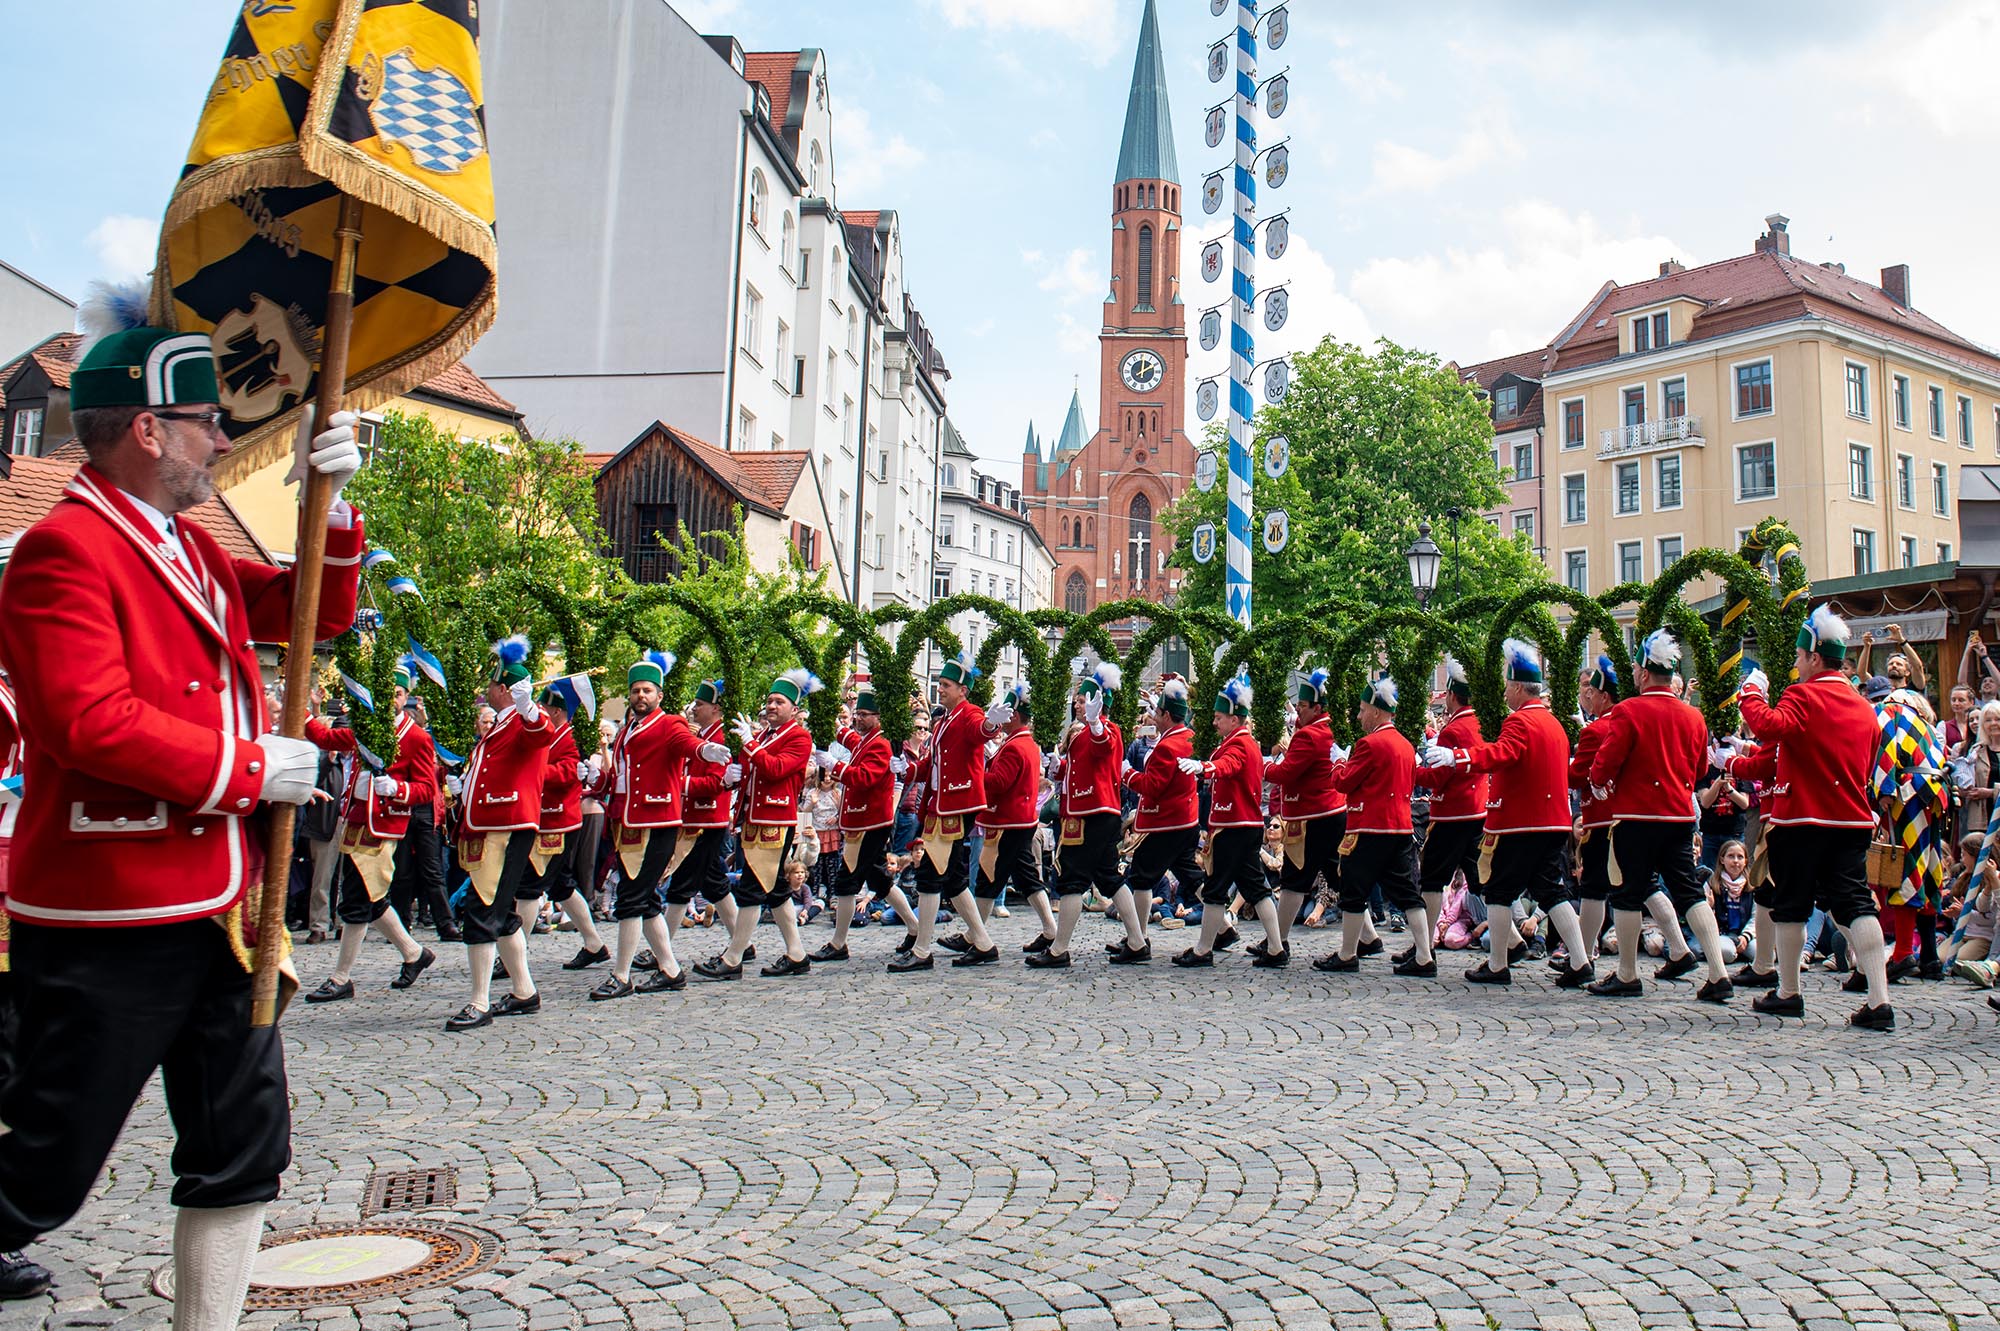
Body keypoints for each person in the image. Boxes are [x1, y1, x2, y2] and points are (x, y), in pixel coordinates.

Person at [0, 304, 365, 1314]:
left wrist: (332, 509)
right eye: (207, 420)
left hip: (217, 909)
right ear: (147, 428)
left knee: (242, 1144)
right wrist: (249, 768)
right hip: (115, 908)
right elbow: (88, 722)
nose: (223, 438)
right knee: (43, 1164)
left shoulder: (187, 547)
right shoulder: (62, 549)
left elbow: (313, 612)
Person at [1723, 604, 1897, 1028]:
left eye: (1801, 658)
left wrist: (1750, 691)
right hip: (1851, 820)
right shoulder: (1864, 707)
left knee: (1791, 906)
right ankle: (1879, 999)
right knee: (1856, 904)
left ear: (1815, 657)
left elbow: (1767, 725)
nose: (1798, 665)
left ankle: (1789, 992)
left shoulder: (1802, 695)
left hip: (1801, 818)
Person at [1421, 639, 1587, 988]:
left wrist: (1458, 757)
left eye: (1508, 686)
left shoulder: (1519, 722)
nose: (1506, 693)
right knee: (1550, 891)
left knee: (1498, 891)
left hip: (1523, 822)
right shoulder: (1554, 723)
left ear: (1517, 687)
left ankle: (1498, 964)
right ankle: (1580, 960)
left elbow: (1500, 754)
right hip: (1553, 821)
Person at [1586, 629, 1733, 1003]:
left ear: (1645, 673)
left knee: (1627, 893)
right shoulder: (1693, 716)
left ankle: (1627, 974)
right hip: (1679, 816)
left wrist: (1599, 781)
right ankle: (1718, 973)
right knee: (1689, 892)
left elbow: (1605, 763)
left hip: (1635, 816)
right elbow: (1700, 770)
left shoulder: (1629, 710)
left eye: (1637, 669)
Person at [298, 671, 437, 1004]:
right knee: (371, 899)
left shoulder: (416, 737)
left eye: (399, 693)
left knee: (357, 901)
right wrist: (302, 707)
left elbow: (427, 789)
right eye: (387, 692)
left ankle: (341, 977)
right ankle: (413, 953)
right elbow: (326, 738)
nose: (393, 699)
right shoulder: (368, 727)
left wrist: (398, 788)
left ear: (407, 698)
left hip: (383, 825)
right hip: (356, 820)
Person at [446, 636, 554, 1031]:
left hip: (507, 826)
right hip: (491, 824)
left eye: (492, 685)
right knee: (502, 913)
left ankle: (480, 1001)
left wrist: (528, 707)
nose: (487, 690)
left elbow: (542, 733)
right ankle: (524, 992)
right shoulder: (500, 725)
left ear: (505, 689)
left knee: (482, 910)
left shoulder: (523, 719)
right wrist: (465, 788)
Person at [588, 653, 704, 998]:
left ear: (659, 695)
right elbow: (622, 777)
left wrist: (704, 751)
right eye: (636, 690)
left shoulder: (669, 723)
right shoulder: (627, 730)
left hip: (658, 821)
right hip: (628, 822)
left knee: (630, 898)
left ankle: (621, 975)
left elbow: (686, 744)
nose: (641, 695)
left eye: (647, 690)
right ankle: (670, 970)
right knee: (647, 901)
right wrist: (597, 780)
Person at [697, 668, 818, 979]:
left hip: (774, 819)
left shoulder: (799, 737)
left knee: (751, 889)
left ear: (794, 709)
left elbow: (776, 769)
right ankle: (797, 954)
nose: (772, 706)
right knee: (775, 889)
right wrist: (733, 777)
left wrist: (750, 744)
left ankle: (733, 958)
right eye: (770, 701)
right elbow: (753, 774)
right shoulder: (764, 736)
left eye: (779, 702)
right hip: (754, 818)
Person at [891, 654, 1001, 971]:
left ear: (962, 690)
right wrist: (909, 770)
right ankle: (983, 944)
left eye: (946, 685)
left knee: (929, 875)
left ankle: (922, 950)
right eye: (939, 684)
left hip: (956, 804)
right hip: (941, 803)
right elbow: (933, 763)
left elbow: (981, 732)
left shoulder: (969, 713)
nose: (940, 689)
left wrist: (991, 723)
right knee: (952, 878)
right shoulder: (943, 721)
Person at [1315, 676, 1430, 976]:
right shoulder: (1405, 744)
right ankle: (1424, 955)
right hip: (1400, 828)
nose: (1359, 716)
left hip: (1369, 828)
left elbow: (1343, 782)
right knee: (1408, 894)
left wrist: (1339, 761)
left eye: (1363, 710)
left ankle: (1347, 954)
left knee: (1353, 892)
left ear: (1377, 712)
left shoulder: (1369, 744)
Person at [1174, 678, 1282, 965]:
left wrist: (1203, 767)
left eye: (1219, 717)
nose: (1214, 722)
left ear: (1234, 719)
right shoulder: (1245, 742)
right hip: (1245, 825)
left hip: (1233, 826)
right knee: (1256, 888)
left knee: (1215, 889)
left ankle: (1203, 950)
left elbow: (1227, 765)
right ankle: (1276, 948)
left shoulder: (1240, 745)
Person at [1028, 663, 1126, 969]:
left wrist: (1095, 723)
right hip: (1088, 812)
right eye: (1077, 701)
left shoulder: (1106, 729)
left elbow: (1103, 747)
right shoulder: (1081, 734)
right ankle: (1137, 941)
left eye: (1083, 700)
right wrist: (1056, 763)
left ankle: (1059, 949)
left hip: (1092, 813)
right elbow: (1074, 772)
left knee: (1071, 879)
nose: (1077, 705)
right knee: (1109, 877)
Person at [811, 685, 919, 960]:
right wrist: (832, 721)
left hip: (869, 823)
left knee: (846, 882)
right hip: (863, 822)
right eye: (856, 713)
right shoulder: (868, 739)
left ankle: (839, 943)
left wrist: (833, 765)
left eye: (864, 714)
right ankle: (915, 928)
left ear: (878, 717)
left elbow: (863, 778)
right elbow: (850, 739)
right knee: (880, 881)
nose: (858, 718)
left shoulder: (880, 744)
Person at [521, 680, 611, 972]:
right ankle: (594, 944)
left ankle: (513, 955)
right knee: (562, 886)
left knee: (529, 887)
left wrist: (529, 770)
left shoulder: (570, 739)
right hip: (544, 819)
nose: (539, 711)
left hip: (557, 821)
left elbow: (565, 773)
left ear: (557, 712)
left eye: (543, 707)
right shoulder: (548, 735)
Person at [1115, 678, 1207, 965]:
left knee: (1141, 878)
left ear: (1167, 715)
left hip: (1165, 822)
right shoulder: (1187, 736)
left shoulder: (1166, 746)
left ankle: (1138, 939)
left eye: (1157, 712)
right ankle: (1224, 926)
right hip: (1185, 820)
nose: (1153, 716)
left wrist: (1126, 773)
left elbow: (1152, 787)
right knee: (1190, 875)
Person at [1262, 668, 1350, 957]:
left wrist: (1263, 765)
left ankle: (1277, 943)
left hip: (1314, 816)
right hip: (1329, 813)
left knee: (1294, 878)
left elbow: (1286, 772)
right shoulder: (1323, 730)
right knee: (1337, 879)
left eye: (1302, 706)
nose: (1298, 710)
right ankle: (1367, 937)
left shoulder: (1309, 736)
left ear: (1317, 708)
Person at [1408, 657, 1484, 967]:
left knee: (1431, 880)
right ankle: (1511, 940)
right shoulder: (1479, 722)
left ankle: (1423, 949)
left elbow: (1439, 777)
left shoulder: (1453, 730)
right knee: (1481, 881)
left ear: (1452, 695)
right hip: (1476, 811)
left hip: (1452, 814)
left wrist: (1413, 769)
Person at [967, 683, 1056, 948]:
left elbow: (998, 783)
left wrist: (974, 771)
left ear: (1014, 716)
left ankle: (976, 937)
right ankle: (1050, 930)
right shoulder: (1024, 743)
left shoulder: (1014, 746)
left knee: (988, 876)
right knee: (1026, 878)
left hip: (1007, 821)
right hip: (1019, 820)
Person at [663, 679, 746, 958]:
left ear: (716, 708)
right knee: (715, 885)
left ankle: (661, 948)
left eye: (700, 704)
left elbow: (715, 783)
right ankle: (742, 943)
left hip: (707, 820)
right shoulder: (703, 735)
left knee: (681, 885)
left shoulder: (719, 739)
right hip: (697, 818)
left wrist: (677, 784)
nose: (694, 709)